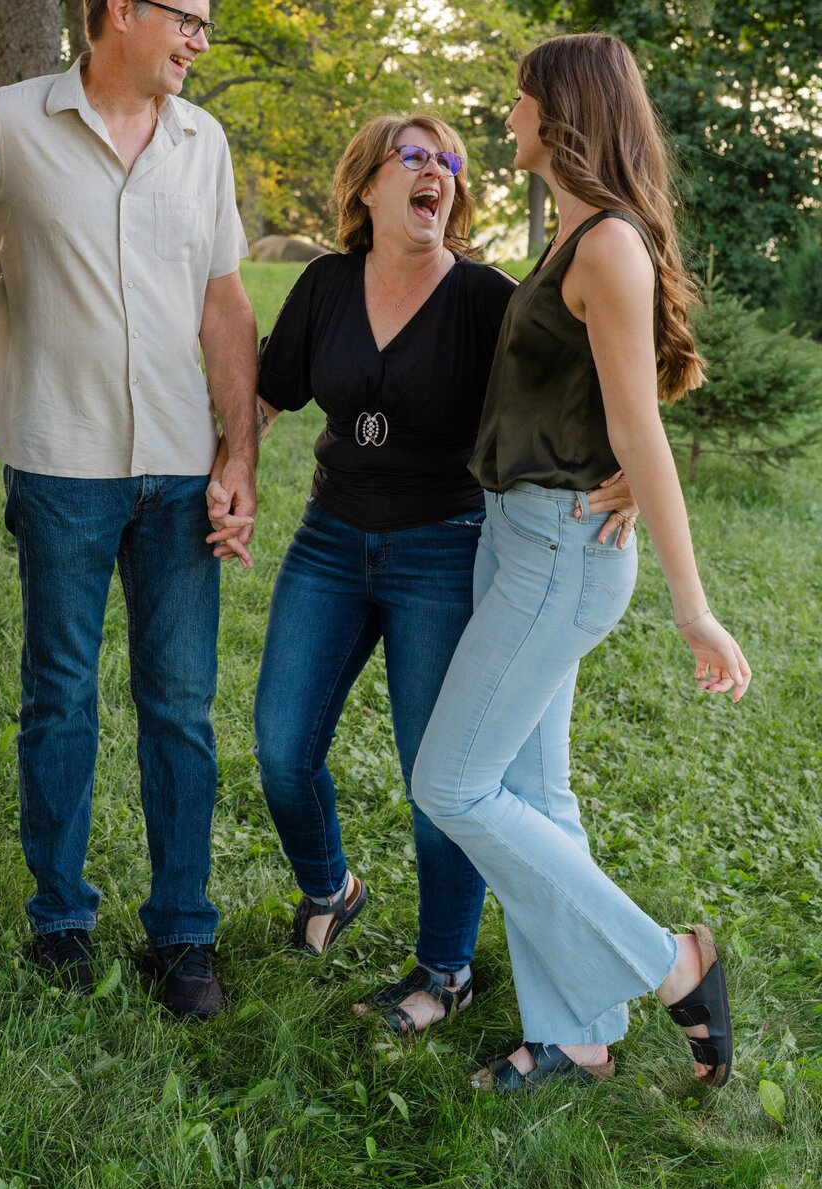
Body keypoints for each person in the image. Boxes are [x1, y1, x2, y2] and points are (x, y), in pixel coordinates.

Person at [207, 113, 636, 1034]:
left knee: (436, 775)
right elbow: (270, 391)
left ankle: (445, 969)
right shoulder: (324, 284)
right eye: (415, 157)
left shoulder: (487, 297)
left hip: (444, 547)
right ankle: (332, 886)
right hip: (330, 538)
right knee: (282, 749)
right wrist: (232, 468)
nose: (435, 171)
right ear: (368, 187)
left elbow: (594, 363)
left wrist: (635, 459)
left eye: (448, 162)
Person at [411, 33, 751, 1091]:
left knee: (453, 784)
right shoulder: (574, 233)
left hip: (562, 551)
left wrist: (692, 607)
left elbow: (642, 427)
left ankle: (670, 965)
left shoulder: (606, 244)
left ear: (561, 116)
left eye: (518, 101)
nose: (505, 117)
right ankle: (580, 1033)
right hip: (521, 534)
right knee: (534, 793)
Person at [0, 0, 257, 1019]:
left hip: (177, 470)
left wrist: (240, 450)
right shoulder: (11, 123)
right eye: (186, 20)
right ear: (120, 11)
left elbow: (223, 306)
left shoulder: (203, 143)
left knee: (180, 708)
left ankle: (184, 934)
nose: (198, 43)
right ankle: (59, 920)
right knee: (59, 701)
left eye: (204, 25)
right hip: (60, 465)